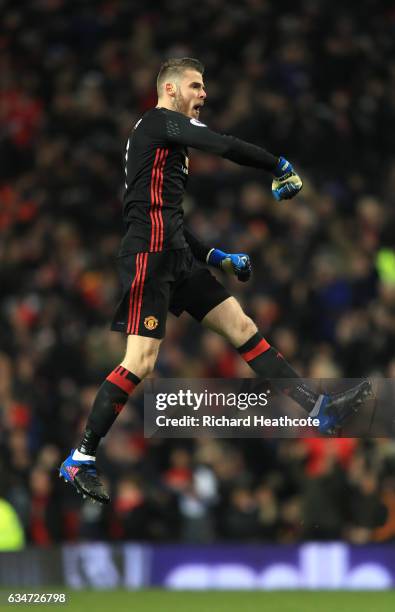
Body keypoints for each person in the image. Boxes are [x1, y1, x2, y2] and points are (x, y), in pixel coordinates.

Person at [60, 58, 371, 504]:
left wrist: (218, 257)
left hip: (176, 254)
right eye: (196, 85)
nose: (204, 94)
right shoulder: (157, 123)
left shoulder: (167, 147)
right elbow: (224, 146)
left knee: (242, 327)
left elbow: (174, 219)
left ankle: (320, 409)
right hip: (149, 254)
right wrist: (277, 164)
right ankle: (81, 457)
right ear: (170, 90)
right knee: (142, 361)